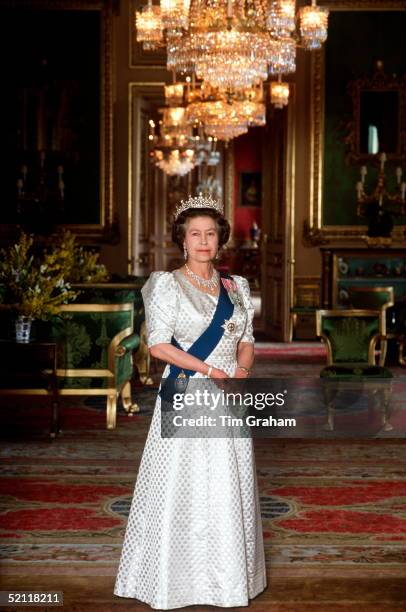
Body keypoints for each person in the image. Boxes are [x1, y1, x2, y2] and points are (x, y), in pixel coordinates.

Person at [114, 194, 267, 609]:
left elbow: (247, 340)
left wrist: (242, 372)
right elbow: (159, 346)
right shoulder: (166, 284)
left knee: (225, 482)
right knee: (181, 484)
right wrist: (213, 372)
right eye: (195, 234)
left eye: (211, 234)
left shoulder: (237, 287)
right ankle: (170, 579)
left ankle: (226, 577)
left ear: (221, 240)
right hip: (187, 388)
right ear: (182, 241)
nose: (203, 241)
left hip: (229, 393)